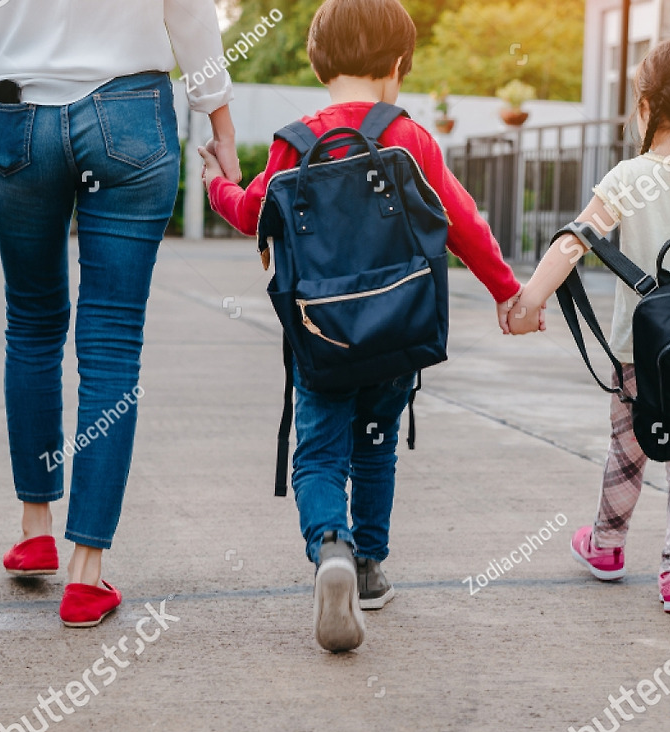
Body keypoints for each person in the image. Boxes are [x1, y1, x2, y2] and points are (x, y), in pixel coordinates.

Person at [0, 0, 240, 628]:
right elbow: (189, 12)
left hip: (18, 116)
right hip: (131, 116)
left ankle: (35, 530)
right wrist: (221, 123)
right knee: (112, 343)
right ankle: (86, 575)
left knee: (31, 324)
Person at [200, 0, 521, 651]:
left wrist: (215, 184)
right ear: (398, 64)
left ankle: (332, 548)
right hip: (397, 333)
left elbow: (253, 213)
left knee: (320, 453)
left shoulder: (295, 142)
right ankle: (370, 567)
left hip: (322, 337)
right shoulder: (410, 138)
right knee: (376, 444)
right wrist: (507, 290)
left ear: (319, 62)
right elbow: (462, 221)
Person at [511, 37, 670, 615]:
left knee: (628, 450)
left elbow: (574, 241)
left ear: (646, 106)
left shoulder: (629, 176)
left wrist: (529, 301)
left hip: (638, 352)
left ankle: (606, 546)